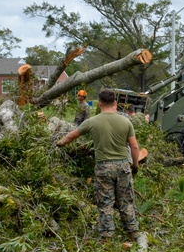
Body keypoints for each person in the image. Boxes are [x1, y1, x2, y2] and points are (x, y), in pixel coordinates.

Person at [57, 88, 141, 240]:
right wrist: (135, 165)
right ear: (115, 103)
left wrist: (59, 143)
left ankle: (107, 235)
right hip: (122, 165)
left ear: (100, 103)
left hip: (103, 167)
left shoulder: (92, 121)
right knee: (126, 200)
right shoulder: (125, 121)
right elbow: (135, 147)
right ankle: (132, 232)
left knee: (105, 202)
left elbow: (71, 136)